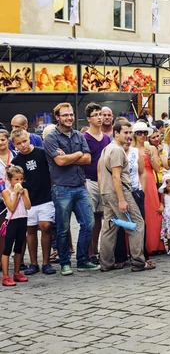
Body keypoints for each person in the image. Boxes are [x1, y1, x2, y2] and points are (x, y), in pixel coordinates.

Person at [44, 102, 99, 276]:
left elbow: (88, 159)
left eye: (71, 114)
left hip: (80, 186)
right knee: (63, 228)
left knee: (88, 224)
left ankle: (82, 260)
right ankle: (65, 262)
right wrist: (77, 155)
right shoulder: (51, 138)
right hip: (61, 188)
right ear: (58, 117)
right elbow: (59, 162)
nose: (69, 118)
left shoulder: (78, 135)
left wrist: (70, 156)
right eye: (65, 115)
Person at [98, 120, 150, 272]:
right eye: (125, 133)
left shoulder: (107, 149)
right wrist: (121, 199)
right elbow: (116, 176)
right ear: (116, 133)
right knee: (137, 224)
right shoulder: (117, 150)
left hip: (107, 192)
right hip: (118, 192)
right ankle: (139, 261)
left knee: (110, 226)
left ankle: (106, 263)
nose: (129, 136)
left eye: (130, 132)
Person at [11, 129, 56, 276]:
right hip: (28, 200)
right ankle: (33, 263)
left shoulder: (41, 152)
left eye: (24, 141)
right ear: (14, 145)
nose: (23, 145)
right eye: (19, 143)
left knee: (46, 226)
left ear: (29, 138)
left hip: (45, 197)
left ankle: (46, 262)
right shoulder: (16, 161)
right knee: (30, 230)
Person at [81, 103, 111, 264]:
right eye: (96, 115)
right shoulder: (84, 137)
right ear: (88, 119)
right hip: (89, 180)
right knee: (90, 218)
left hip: (105, 181)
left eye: (101, 114)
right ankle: (89, 252)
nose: (100, 118)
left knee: (100, 216)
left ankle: (96, 248)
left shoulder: (106, 138)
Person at [132, 122, 164, 255]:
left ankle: (153, 244)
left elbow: (157, 168)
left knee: (152, 212)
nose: (143, 135)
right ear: (134, 134)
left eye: (145, 133)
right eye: (139, 133)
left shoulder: (151, 148)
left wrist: (151, 157)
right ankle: (137, 246)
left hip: (150, 179)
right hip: (135, 178)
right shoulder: (130, 148)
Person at [1, 166, 31, 286]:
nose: (19, 182)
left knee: (19, 247)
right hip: (12, 221)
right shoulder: (6, 192)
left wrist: (23, 194)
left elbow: (28, 206)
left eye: (21, 179)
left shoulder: (25, 191)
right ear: (10, 180)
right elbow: (11, 207)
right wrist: (17, 195)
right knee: (7, 248)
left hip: (22, 219)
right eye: (16, 179)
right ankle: (5, 275)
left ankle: (17, 272)